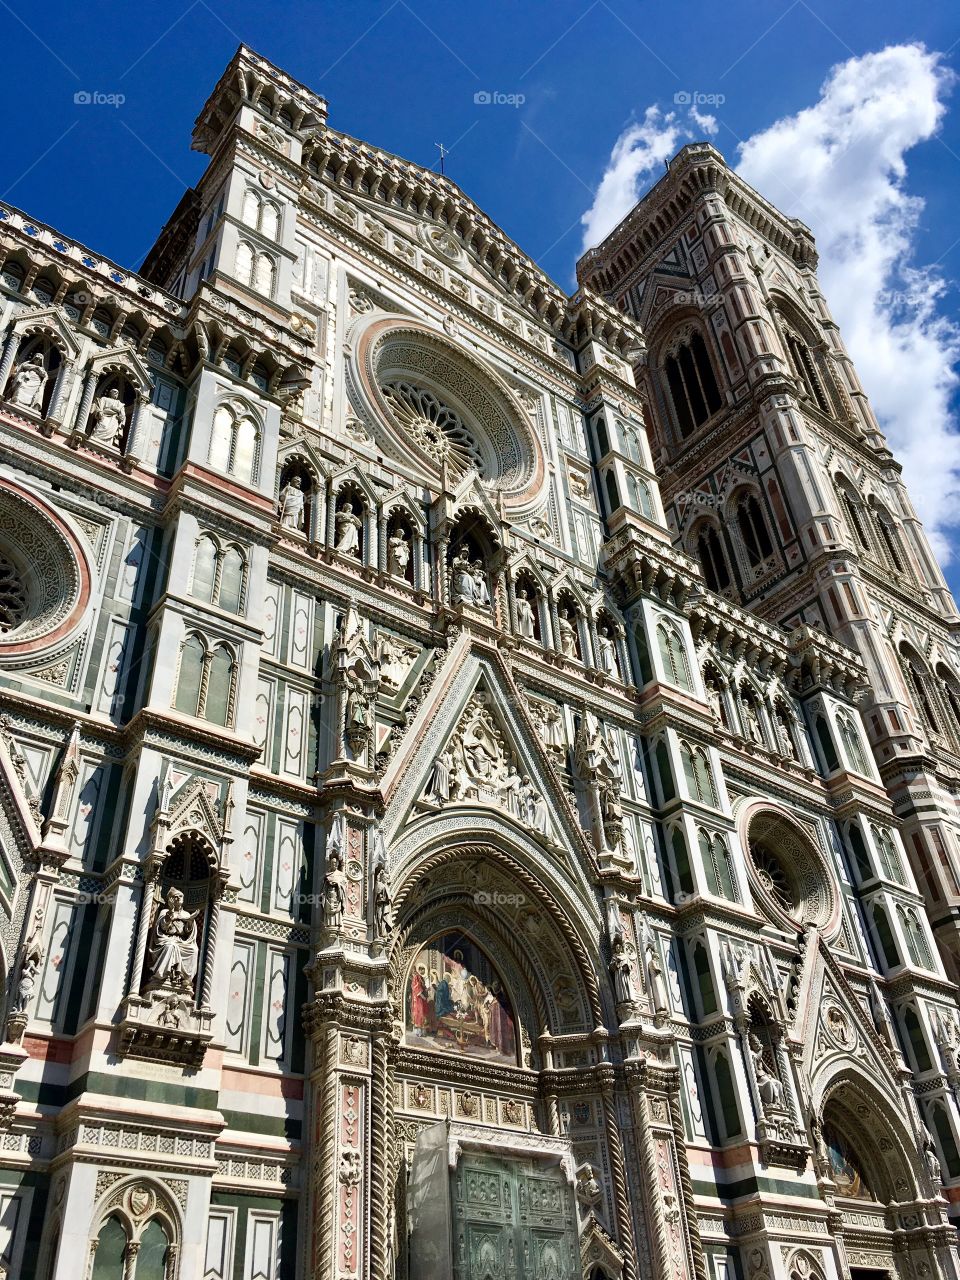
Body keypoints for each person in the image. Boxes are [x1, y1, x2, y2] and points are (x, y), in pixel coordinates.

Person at [148, 888, 201, 992]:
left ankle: (185, 980)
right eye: (175, 896)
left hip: (182, 941)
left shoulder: (186, 914)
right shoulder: (165, 912)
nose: (178, 898)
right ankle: (163, 976)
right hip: (167, 939)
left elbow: (188, 932)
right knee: (171, 946)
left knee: (194, 950)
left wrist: (190, 921)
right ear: (171, 900)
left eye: (180, 896)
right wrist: (171, 913)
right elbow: (162, 928)